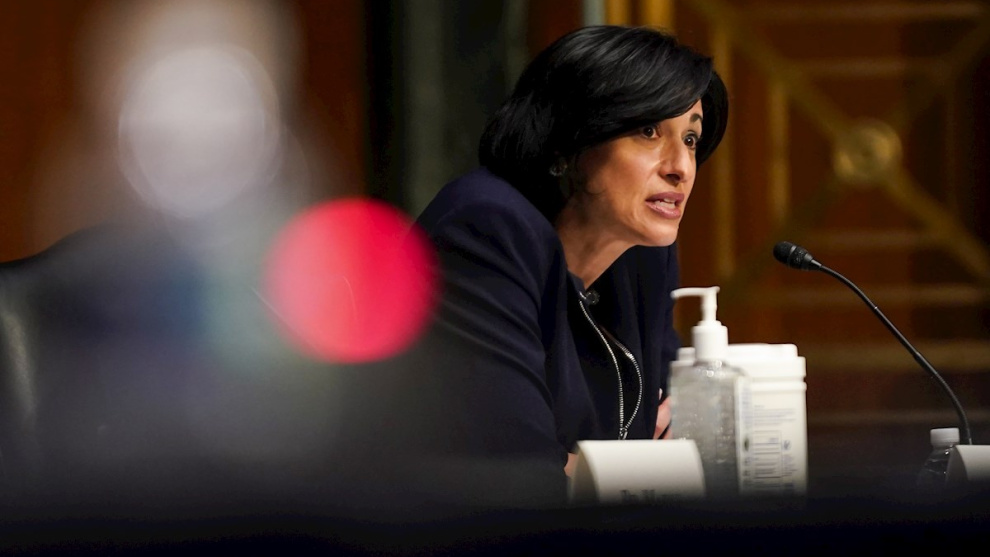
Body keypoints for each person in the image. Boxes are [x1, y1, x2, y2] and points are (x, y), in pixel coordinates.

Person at [336, 24, 728, 518]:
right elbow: (521, 476)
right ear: (567, 142)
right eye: (648, 131)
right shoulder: (486, 229)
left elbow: (679, 444)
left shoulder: (642, 252)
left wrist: (591, 469)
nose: (681, 167)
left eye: (690, 138)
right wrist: (628, 468)